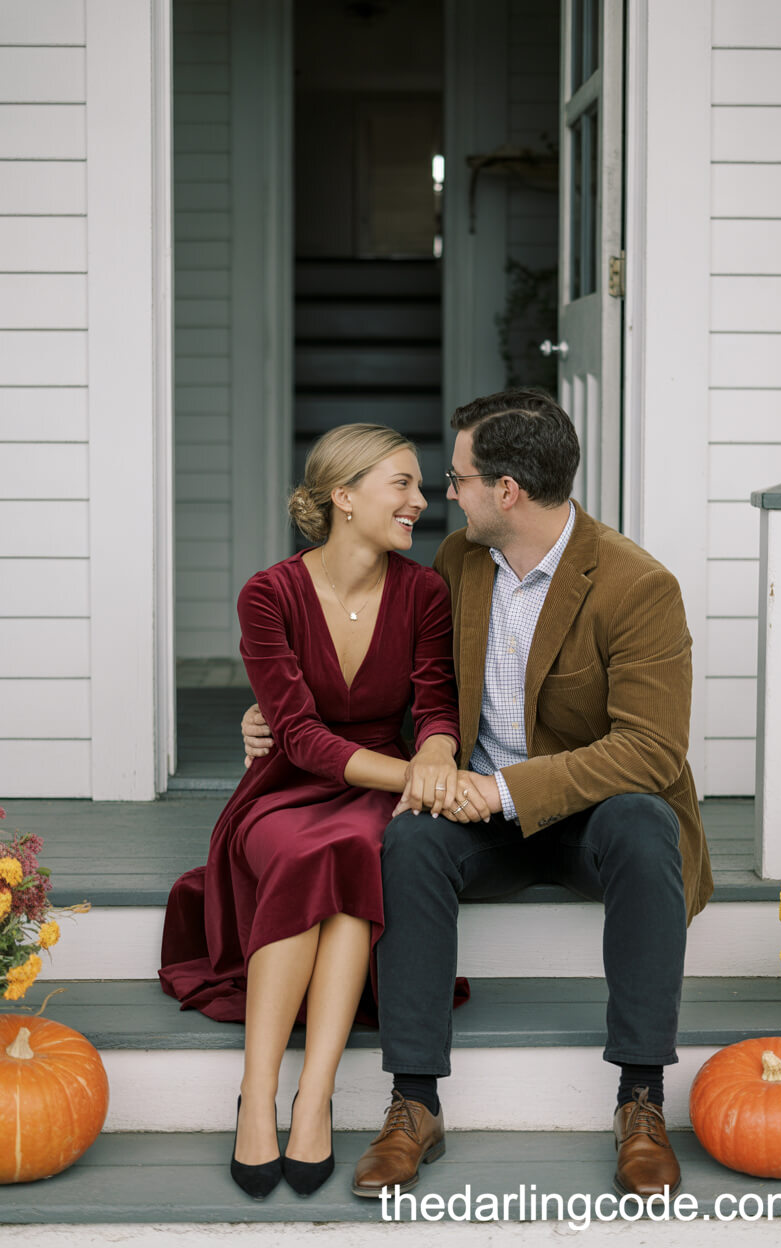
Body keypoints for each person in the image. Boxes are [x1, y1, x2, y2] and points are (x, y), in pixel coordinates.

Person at [242, 387, 715, 1202]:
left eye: (457, 478)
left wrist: (500, 790)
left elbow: (651, 749)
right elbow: (410, 678)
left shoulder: (637, 585)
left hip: (587, 813)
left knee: (646, 822)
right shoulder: (460, 563)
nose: (442, 495)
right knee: (409, 839)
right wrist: (275, 714)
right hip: (474, 812)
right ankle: (414, 1103)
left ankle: (640, 1098)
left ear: (507, 491)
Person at [159, 423, 470, 1201]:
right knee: (305, 851)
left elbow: (436, 703)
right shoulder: (269, 594)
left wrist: (436, 755)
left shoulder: (425, 591)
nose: (420, 501)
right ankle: (256, 1096)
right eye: (401, 483)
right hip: (285, 786)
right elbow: (294, 735)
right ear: (345, 496)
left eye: (420, 485)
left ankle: (313, 1096)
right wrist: (417, 775)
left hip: (375, 790)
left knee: (361, 848)